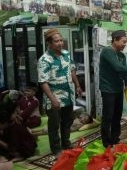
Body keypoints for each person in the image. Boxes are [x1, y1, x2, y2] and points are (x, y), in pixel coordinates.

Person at [37, 28, 83, 156]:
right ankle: (56, 149)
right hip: (54, 98)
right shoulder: (44, 60)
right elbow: (43, 82)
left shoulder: (66, 54)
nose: (60, 43)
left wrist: (78, 86)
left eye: (61, 40)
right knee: (54, 125)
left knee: (67, 121)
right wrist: (53, 99)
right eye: (57, 41)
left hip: (68, 95)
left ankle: (66, 143)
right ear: (49, 43)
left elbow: (72, 70)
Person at [99, 30, 127, 147]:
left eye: (126, 42)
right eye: (123, 42)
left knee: (117, 115)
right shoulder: (107, 51)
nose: (125, 44)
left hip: (118, 89)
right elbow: (118, 68)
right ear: (115, 40)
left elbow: (124, 73)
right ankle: (106, 142)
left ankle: (115, 138)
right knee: (108, 116)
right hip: (108, 89)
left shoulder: (122, 55)